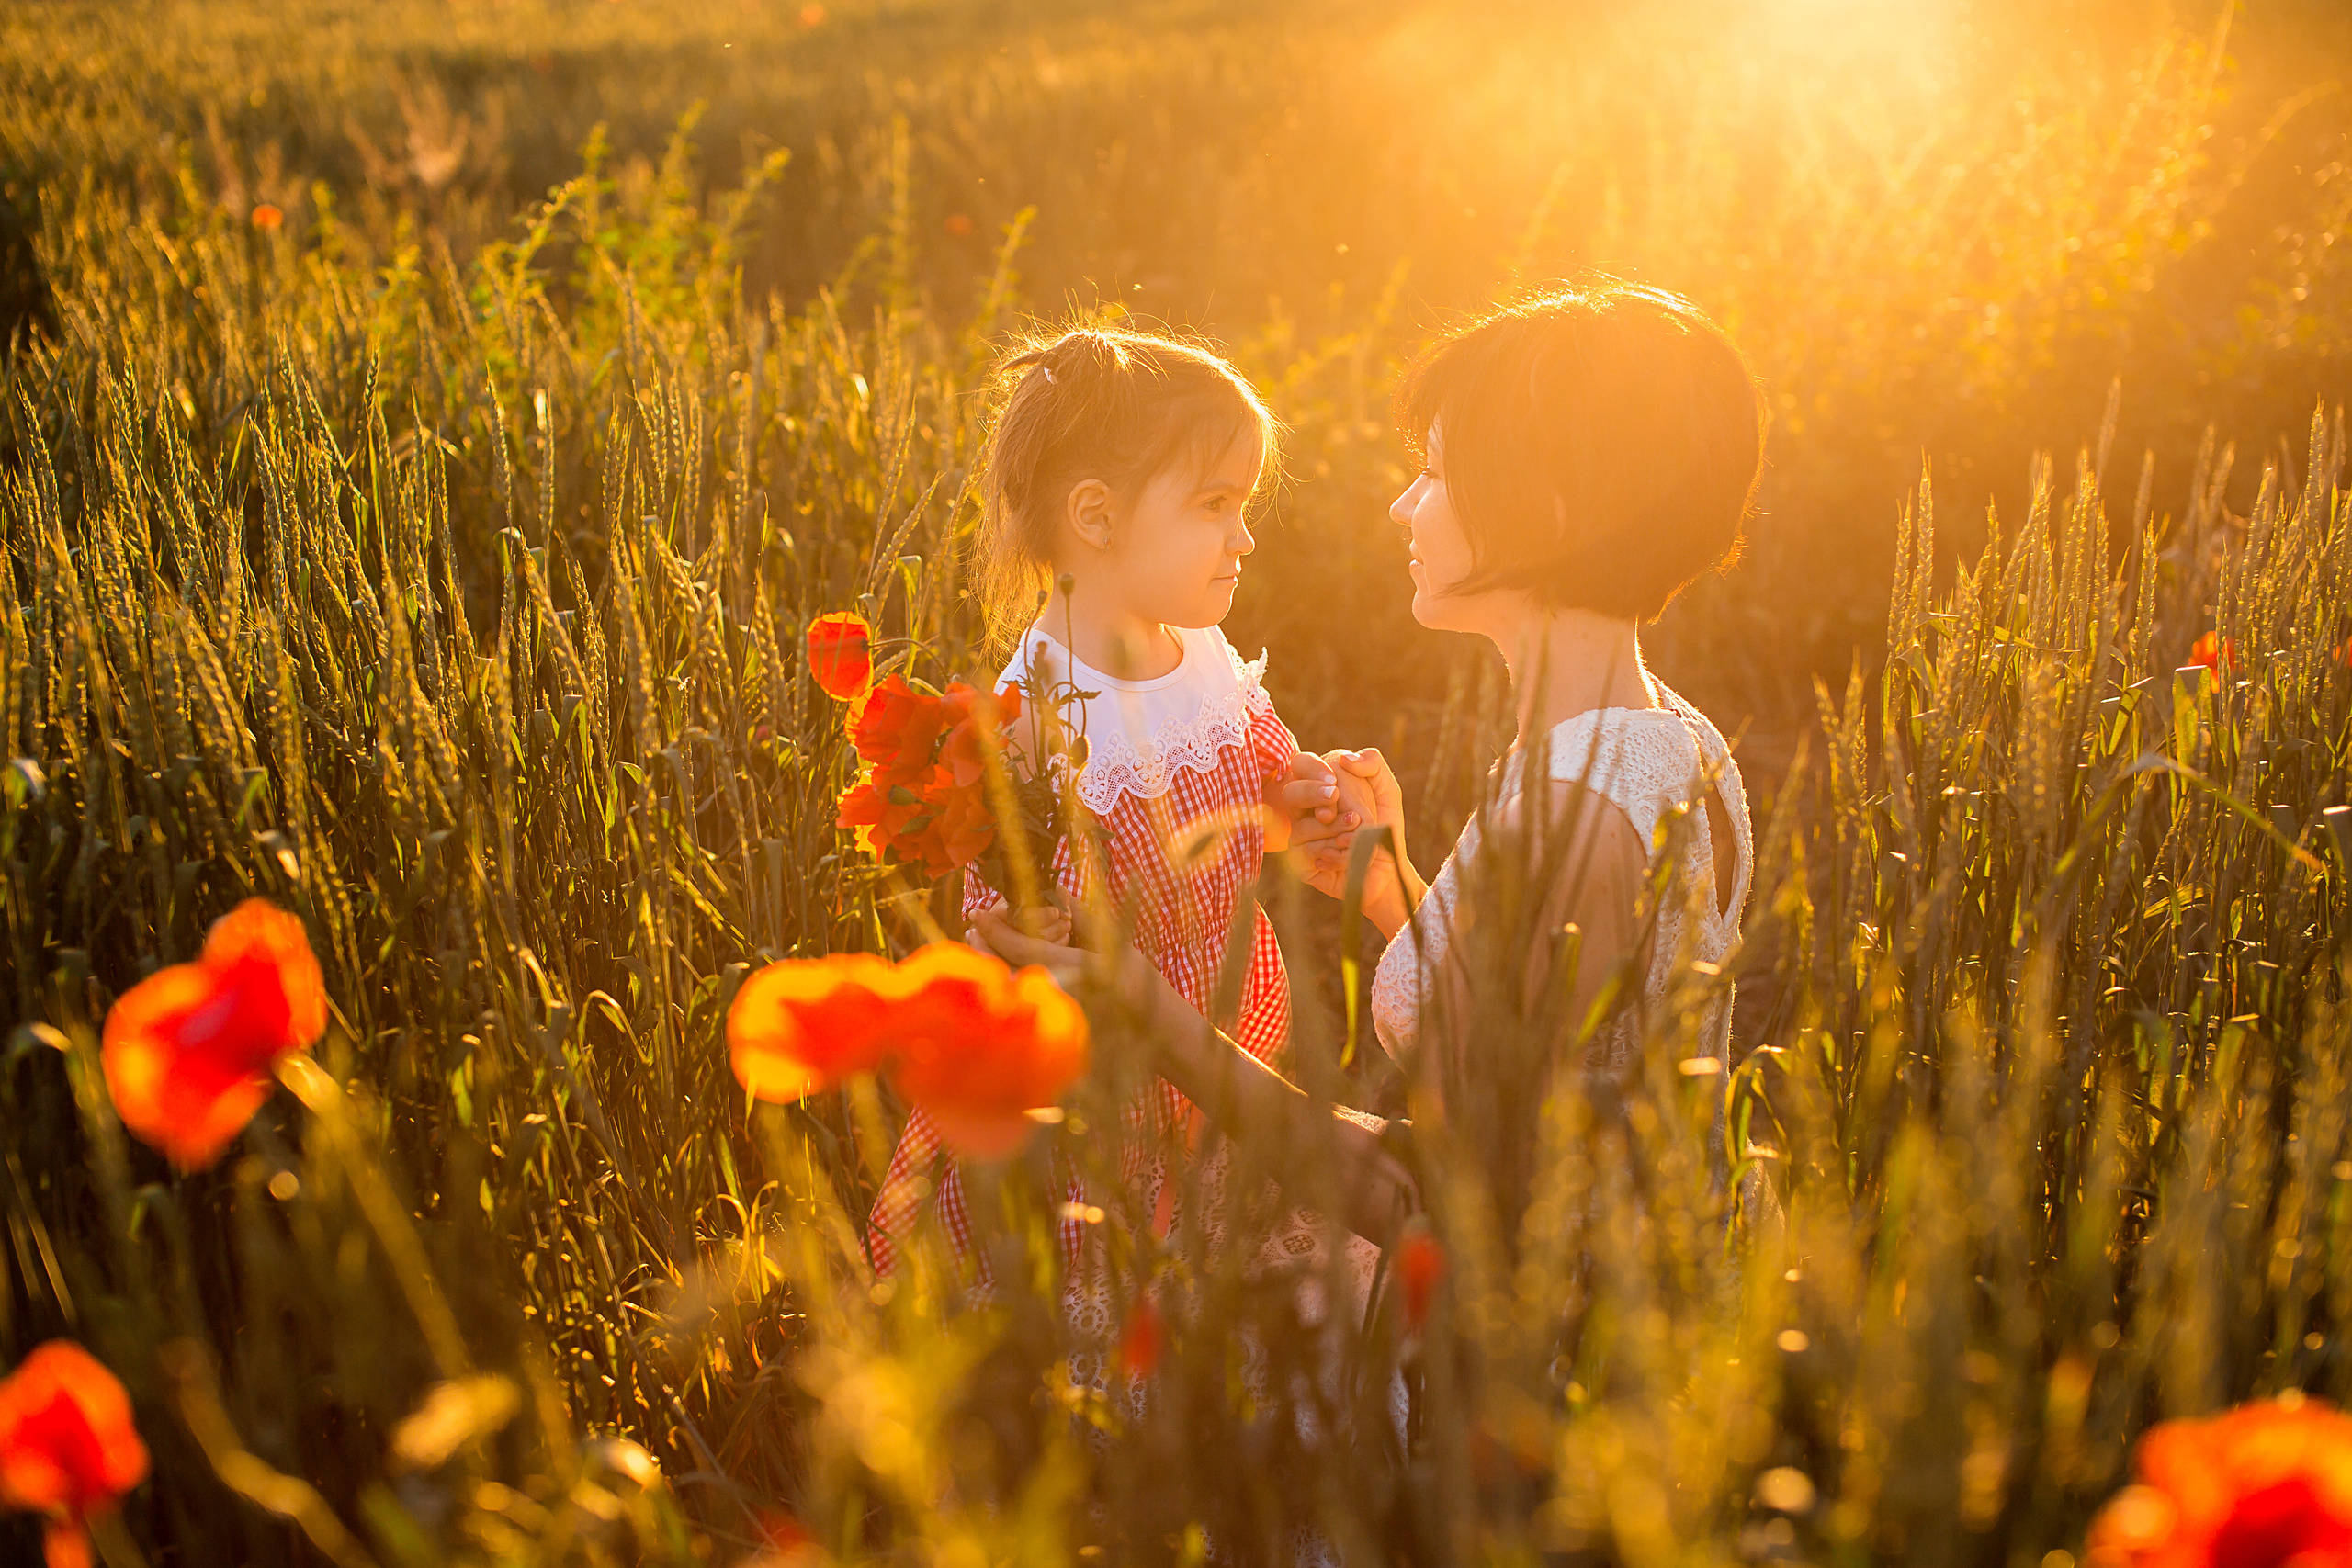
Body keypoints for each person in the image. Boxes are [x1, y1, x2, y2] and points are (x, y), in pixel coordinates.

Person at [971, 278, 1769, 1258]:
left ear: (1547, 510)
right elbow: (1529, 1026)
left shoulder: (1570, 810)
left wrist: (1146, 1012)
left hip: (1552, 1366)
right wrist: (1394, 890)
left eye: (1434, 474)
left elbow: (1441, 1203)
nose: (1401, 506)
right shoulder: (1670, 738)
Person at [865, 324, 1362, 1301]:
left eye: (1244, 505)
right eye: (1215, 506)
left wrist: (1301, 792)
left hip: (1214, 1043)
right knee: (1123, 1276)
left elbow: (1252, 771)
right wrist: (1017, 928)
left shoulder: (1201, 649)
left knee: (1220, 1245)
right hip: (1109, 1090)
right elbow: (1009, 914)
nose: (1244, 536)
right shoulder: (1039, 714)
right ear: (1095, 516)